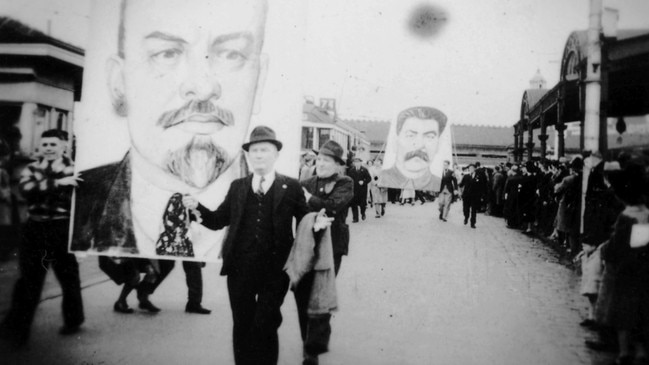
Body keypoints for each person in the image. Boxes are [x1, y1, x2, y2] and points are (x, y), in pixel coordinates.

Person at [70, 0, 270, 311]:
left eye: (232, 54)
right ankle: (139, 297)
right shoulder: (83, 201)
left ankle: (179, 300)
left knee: (180, 267)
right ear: (118, 83)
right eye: (167, 53)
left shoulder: (267, 195)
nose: (203, 88)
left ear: (259, 81)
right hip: (164, 241)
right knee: (159, 266)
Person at [183, 126, 332, 365]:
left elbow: (305, 219)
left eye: (264, 150)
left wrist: (317, 222)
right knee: (242, 325)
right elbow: (218, 220)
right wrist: (196, 207)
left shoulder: (291, 186)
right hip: (239, 269)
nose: (259, 155)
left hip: (276, 271)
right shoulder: (238, 187)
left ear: (275, 154)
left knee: (265, 323)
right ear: (248, 155)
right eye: (254, 151)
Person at [0, 129, 84, 347]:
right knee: (29, 280)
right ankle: (18, 330)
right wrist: (58, 184)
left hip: (61, 229)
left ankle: (73, 320)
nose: (48, 148)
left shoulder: (74, 169)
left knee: (68, 277)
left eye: (53, 145)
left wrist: (49, 187)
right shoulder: (32, 168)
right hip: (35, 228)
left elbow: (80, 197)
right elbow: (25, 188)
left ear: (64, 146)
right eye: (44, 144)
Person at [297, 140, 354, 365]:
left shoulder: (345, 182)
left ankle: (313, 349)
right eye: (319, 159)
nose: (320, 163)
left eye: (326, 160)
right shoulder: (306, 182)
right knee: (303, 294)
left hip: (332, 247)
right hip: (305, 244)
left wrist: (307, 198)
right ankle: (308, 340)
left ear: (338, 164)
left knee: (320, 293)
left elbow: (331, 206)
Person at [378, 106, 447, 191]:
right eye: (410, 135)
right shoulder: (383, 179)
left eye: (429, 137)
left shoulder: (438, 184)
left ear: (438, 145)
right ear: (395, 142)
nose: (419, 145)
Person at [459, 163, 486, 228]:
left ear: (474, 169)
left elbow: (482, 186)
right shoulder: (466, 176)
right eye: (470, 168)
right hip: (466, 196)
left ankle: (473, 223)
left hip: (475, 196)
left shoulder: (479, 177)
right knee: (465, 209)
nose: (471, 169)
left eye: (472, 168)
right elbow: (461, 185)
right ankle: (466, 217)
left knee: (474, 210)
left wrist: (482, 195)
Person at [347, 157, 371, 222]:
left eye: (358, 162)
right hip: (354, 190)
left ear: (360, 163)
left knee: (362, 204)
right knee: (353, 204)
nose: (357, 164)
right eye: (355, 162)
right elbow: (348, 179)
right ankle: (355, 218)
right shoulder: (351, 170)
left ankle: (363, 213)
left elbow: (369, 178)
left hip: (362, 190)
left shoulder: (364, 170)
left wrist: (364, 182)